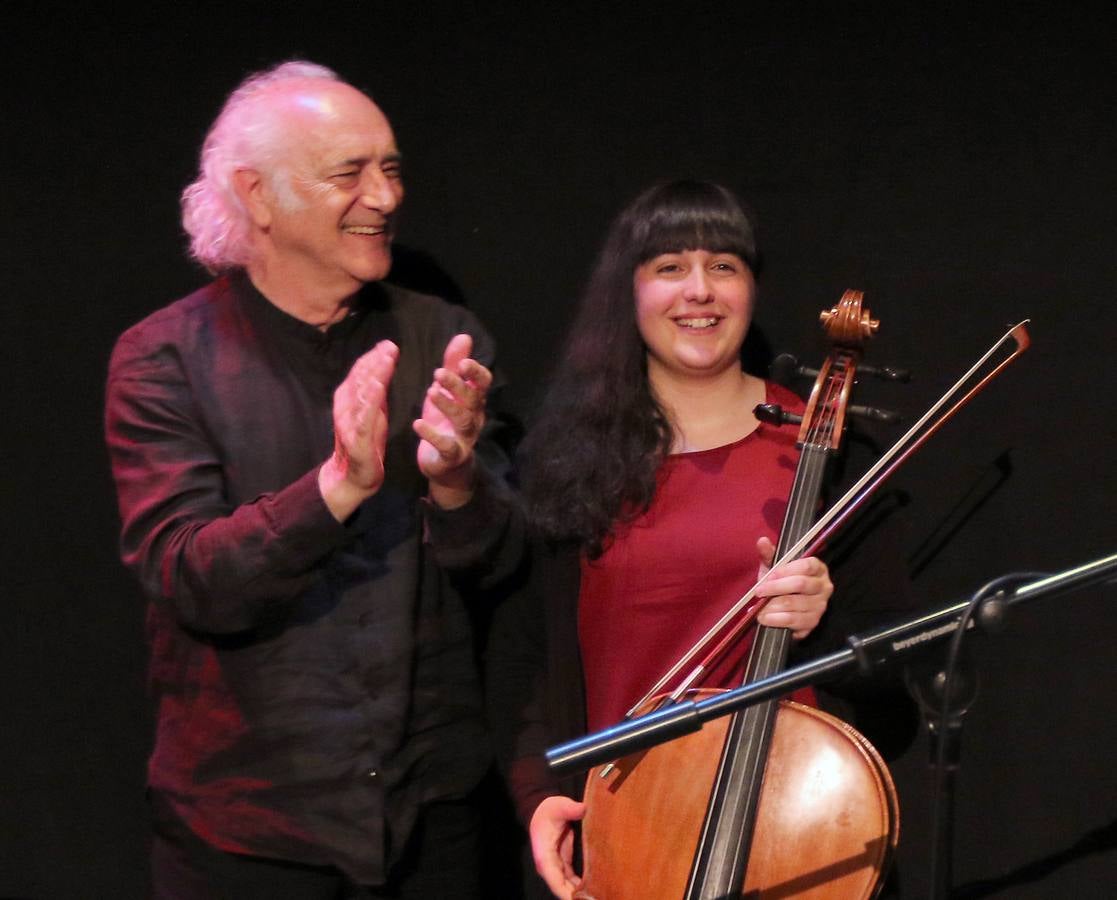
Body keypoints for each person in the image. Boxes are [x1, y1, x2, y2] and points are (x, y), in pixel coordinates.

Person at [104, 60, 519, 898]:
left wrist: (455, 480)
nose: (385, 196)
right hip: (250, 836)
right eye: (350, 173)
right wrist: (335, 487)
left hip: (431, 817)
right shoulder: (164, 359)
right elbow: (191, 578)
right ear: (256, 196)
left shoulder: (445, 338)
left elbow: (503, 567)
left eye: (391, 168)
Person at [486, 180, 915, 899]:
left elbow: (897, 671)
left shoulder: (833, 452)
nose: (699, 292)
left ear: (751, 287)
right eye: (667, 267)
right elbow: (522, 656)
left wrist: (825, 625)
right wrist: (536, 797)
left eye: (723, 266)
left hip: (792, 838)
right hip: (624, 833)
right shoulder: (566, 462)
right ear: (628, 291)